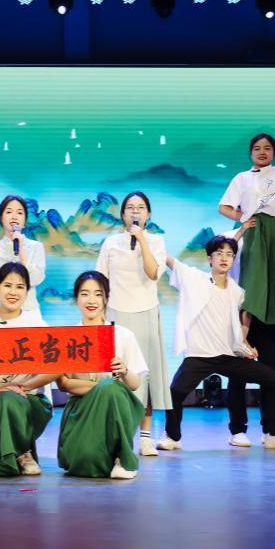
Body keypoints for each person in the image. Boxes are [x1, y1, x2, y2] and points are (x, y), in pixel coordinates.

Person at [163, 236, 275, 450]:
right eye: (219, 253)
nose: (224, 258)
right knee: (175, 392)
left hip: (227, 356)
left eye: (229, 254)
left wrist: (245, 345)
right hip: (199, 356)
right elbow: (169, 259)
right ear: (210, 259)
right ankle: (172, 437)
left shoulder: (237, 291)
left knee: (274, 379)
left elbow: (237, 324)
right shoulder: (195, 278)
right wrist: (143, 236)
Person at [219, 120, 275, 447]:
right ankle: (237, 429)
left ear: (274, 153)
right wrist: (244, 219)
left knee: (271, 367)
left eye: (267, 148)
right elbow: (224, 206)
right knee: (239, 367)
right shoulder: (242, 179)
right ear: (250, 153)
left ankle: (274, 430)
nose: (262, 152)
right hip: (255, 233)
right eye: (257, 148)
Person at [95, 191, 171, 455]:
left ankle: (146, 436)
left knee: (144, 376)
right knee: (116, 375)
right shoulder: (110, 242)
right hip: (116, 314)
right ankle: (116, 434)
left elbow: (153, 273)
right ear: (122, 214)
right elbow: (100, 281)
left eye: (140, 207)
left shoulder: (156, 241)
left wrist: (142, 241)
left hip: (146, 312)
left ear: (148, 214)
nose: (135, 211)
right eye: (130, 207)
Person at [57, 271, 148, 479]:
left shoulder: (123, 334)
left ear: (106, 298)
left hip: (115, 406)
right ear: (76, 298)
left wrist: (124, 371)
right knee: (86, 461)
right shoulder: (66, 337)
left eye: (98, 294)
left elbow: (135, 384)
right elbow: (63, 384)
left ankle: (124, 459)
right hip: (80, 409)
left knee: (112, 389)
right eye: (85, 294)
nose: (91, 300)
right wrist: (102, 388)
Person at [0, 262, 58, 476]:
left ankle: (23, 452)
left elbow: (57, 369)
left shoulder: (38, 325)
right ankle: (15, 452)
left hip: (30, 401)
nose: (13, 292)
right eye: (7, 285)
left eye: (20, 287)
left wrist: (23, 386)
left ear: (27, 292)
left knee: (10, 398)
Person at [0, 194, 46, 317]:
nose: (14, 216)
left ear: (25, 221)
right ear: (1, 219)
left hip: (28, 311)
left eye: (19, 213)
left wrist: (22, 251)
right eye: (9, 212)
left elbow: (36, 279)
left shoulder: (36, 247)